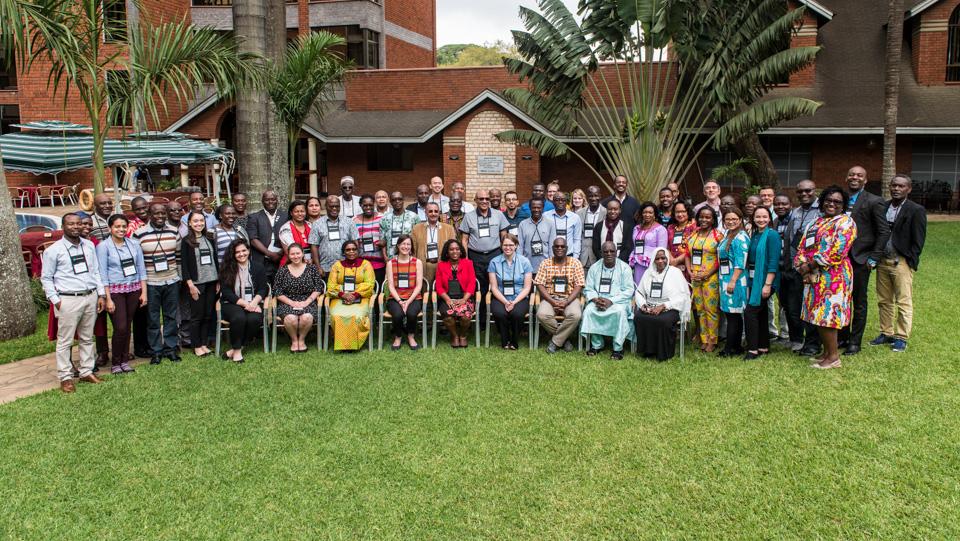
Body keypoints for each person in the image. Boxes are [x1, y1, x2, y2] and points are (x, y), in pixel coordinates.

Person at [41, 213, 106, 393]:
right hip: (68, 299)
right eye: (71, 224)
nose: (76, 227)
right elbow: (46, 278)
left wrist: (101, 294)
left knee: (87, 337)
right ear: (63, 227)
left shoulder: (89, 245)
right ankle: (65, 377)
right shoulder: (54, 250)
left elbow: (96, 272)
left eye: (78, 223)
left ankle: (86, 371)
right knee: (65, 340)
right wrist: (56, 300)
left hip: (90, 296)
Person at [794, 185, 858, 370]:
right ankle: (826, 353)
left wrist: (810, 265)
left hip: (834, 277)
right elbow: (803, 246)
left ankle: (834, 357)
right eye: (828, 200)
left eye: (837, 201)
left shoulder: (846, 222)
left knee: (828, 315)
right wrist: (801, 265)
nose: (832, 204)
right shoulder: (816, 222)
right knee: (817, 315)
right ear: (822, 202)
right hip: (813, 276)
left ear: (843, 205)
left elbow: (837, 251)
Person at [871, 174, 927, 353]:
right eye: (894, 185)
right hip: (882, 261)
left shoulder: (916, 210)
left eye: (901, 186)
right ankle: (886, 332)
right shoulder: (884, 206)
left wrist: (911, 260)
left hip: (901, 261)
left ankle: (901, 337)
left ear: (908, 189)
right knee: (884, 300)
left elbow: (919, 239)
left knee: (903, 301)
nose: (896, 189)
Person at [839, 165, 890, 355]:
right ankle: (842, 336)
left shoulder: (874, 201)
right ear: (846, 178)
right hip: (839, 260)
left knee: (859, 301)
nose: (855, 177)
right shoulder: (839, 199)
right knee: (841, 299)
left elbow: (883, 231)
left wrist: (874, 257)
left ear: (865, 180)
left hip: (861, 259)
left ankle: (855, 341)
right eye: (851, 174)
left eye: (859, 175)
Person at [96, 214, 147, 374]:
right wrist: (107, 298)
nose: (121, 229)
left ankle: (125, 361)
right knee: (120, 327)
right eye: (117, 226)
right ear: (110, 228)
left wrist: (144, 292)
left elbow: (141, 269)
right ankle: (116, 362)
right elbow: (102, 273)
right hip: (115, 292)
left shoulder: (134, 244)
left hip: (133, 289)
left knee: (128, 325)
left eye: (124, 226)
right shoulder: (103, 246)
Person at [133, 203, 182, 364]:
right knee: (153, 319)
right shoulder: (139, 234)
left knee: (171, 317)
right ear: (150, 214)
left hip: (172, 280)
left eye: (162, 213)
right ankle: (156, 351)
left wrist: (180, 278)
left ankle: (170, 348)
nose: (160, 216)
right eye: (156, 213)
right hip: (151, 283)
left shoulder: (174, 231)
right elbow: (136, 261)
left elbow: (179, 257)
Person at [780, 180, 821, 356]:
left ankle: (813, 344)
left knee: (811, 306)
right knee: (793, 306)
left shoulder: (822, 211)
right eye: (800, 192)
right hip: (794, 268)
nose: (804, 194)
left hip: (813, 268)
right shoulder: (796, 212)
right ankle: (797, 340)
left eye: (808, 191)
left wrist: (810, 265)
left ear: (814, 190)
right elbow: (789, 239)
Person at [460, 189, 508, 325]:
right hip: (476, 256)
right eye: (481, 199)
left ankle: (499, 319)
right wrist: (466, 260)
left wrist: (504, 255)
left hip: (495, 255)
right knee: (478, 288)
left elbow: (504, 236)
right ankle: (481, 321)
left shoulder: (499, 215)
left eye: (487, 198)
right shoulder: (468, 217)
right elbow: (464, 240)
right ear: (475, 200)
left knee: (497, 286)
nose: (485, 201)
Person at [634, 247, 691, 361]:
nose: (660, 261)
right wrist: (643, 305)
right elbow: (639, 292)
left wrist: (664, 306)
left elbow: (682, 296)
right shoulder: (648, 272)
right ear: (653, 260)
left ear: (667, 259)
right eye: (657, 258)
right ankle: (648, 351)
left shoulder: (675, 272)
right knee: (639, 317)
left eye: (663, 258)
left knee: (663, 320)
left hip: (670, 307)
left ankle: (663, 353)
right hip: (650, 306)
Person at [581, 241, 635, 359]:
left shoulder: (624, 268)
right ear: (601, 253)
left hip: (619, 302)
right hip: (599, 301)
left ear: (616, 252)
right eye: (605, 252)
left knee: (619, 312)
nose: (609, 254)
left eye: (612, 251)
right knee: (589, 311)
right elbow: (588, 288)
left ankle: (618, 348)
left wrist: (611, 301)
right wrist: (596, 300)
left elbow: (629, 290)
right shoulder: (594, 267)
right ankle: (597, 344)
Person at [218, 239, 267, 363]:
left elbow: (263, 288)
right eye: (237, 252)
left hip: (254, 302)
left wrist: (254, 303)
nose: (241, 254)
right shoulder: (227, 268)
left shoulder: (258, 267)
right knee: (239, 317)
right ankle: (237, 352)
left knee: (254, 319)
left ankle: (236, 348)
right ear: (233, 254)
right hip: (232, 303)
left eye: (244, 250)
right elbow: (226, 292)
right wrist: (246, 304)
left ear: (249, 251)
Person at [534, 237, 585, 354]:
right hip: (550, 298)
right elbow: (539, 284)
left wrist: (567, 301)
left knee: (576, 315)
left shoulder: (575, 263)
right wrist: (552, 301)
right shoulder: (545, 263)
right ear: (552, 248)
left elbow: (579, 285)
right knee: (542, 314)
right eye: (557, 246)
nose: (559, 248)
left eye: (562, 246)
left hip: (570, 298)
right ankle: (564, 339)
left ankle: (555, 341)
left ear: (567, 248)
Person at [743, 207, 781, 359]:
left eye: (764, 217)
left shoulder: (772, 235)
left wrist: (767, 284)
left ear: (769, 218)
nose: (761, 220)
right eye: (758, 217)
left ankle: (752, 349)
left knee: (750, 312)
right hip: (754, 279)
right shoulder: (754, 234)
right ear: (753, 218)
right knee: (762, 312)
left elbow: (773, 261)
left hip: (766, 280)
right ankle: (763, 346)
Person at [180, 211, 219, 358]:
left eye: (201, 220)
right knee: (197, 316)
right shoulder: (186, 241)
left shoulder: (209, 238)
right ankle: (196, 345)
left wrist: (218, 280)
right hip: (197, 283)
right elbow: (184, 265)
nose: (199, 223)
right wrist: (190, 285)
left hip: (211, 281)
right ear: (189, 223)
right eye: (195, 221)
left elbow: (215, 259)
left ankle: (203, 344)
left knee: (207, 315)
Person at [326, 240, 377, 351]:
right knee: (336, 316)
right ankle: (342, 344)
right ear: (343, 252)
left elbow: (369, 284)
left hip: (361, 297)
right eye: (348, 250)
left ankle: (354, 343)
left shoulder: (366, 265)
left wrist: (355, 294)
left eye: (354, 249)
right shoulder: (337, 266)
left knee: (357, 316)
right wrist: (342, 294)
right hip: (339, 298)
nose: (351, 252)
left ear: (358, 251)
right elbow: (331, 286)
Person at [274, 243, 324, 353]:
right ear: (288, 255)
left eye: (298, 253)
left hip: (308, 301)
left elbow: (318, 287)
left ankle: (301, 340)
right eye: (292, 254)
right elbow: (277, 291)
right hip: (287, 302)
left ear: (302, 254)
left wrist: (307, 301)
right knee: (290, 318)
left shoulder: (312, 268)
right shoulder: (282, 270)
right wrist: (291, 302)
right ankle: (294, 340)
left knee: (306, 317)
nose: (295, 256)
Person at [685, 206, 722, 353]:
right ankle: (704, 338)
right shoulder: (693, 234)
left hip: (710, 278)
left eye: (708, 217)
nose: (704, 219)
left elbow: (721, 258)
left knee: (711, 310)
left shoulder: (718, 236)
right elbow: (687, 254)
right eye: (701, 217)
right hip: (695, 277)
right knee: (700, 309)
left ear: (713, 219)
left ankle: (712, 340)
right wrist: (689, 271)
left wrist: (708, 273)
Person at [487, 234, 534, 349]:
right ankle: (505, 339)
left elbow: (527, 287)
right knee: (500, 313)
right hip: (500, 296)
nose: (508, 248)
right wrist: (505, 302)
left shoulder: (525, 262)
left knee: (517, 314)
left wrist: (514, 302)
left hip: (519, 297)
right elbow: (494, 287)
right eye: (505, 245)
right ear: (501, 246)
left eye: (511, 245)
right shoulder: (494, 262)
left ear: (516, 245)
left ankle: (514, 340)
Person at [716, 208, 749, 357]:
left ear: (740, 220)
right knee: (732, 315)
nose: (731, 222)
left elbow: (740, 263)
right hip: (725, 279)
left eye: (734, 219)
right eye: (728, 219)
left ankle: (729, 349)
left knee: (733, 315)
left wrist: (733, 281)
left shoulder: (740, 238)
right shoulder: (728, 234)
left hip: (735, 280)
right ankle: (736, 346)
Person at [435, 239, 477, 348]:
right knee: (448, 317)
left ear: (461, 251)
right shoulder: (441, 265)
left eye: (457, 249)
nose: (455, 251)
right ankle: (454, 336)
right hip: (447, 298)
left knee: (466, 317)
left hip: (464, 297)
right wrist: (447, 299)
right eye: (451, 249)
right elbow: (439, 286)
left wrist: (464, 299)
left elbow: (472, 283)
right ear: (447, 252)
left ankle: (462, 335)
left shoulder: (468, 263)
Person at [385, 235, 424, 350]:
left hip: (414, 298)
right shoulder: (390, 263)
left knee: (411, 314)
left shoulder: (417, 262)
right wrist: (400, 301)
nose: (405, 247)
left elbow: (419, 285)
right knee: (398, 314)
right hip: (395, 298)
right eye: (403, 244)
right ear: (398, 245)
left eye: (408, 244)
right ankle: (398, 336)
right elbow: (391, 286)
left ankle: (411, 336)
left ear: (411, 247)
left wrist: (408, 301)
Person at [246, 190, 289, 285]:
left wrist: (282, 252)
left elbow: (290, 236)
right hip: (262, 260)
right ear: (262, 201)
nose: (270, 202)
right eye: (267, 200)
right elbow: (253, 239)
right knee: (263, 287)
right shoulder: (254, 217)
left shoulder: (286, 216)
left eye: (273, 199)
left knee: (281, 286)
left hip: (282, 259)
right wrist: (270, 254)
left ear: (277, 200)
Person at [309, 195, 357, 278]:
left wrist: (355, 264)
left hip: (347, 267)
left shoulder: (349, 222)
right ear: (326, 206)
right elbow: (314, 246)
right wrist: (318, 267)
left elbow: (355, 243)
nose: (334, 209)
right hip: (325, 268)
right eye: (331, 206)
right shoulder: (317, 224)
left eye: (337, 206)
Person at [410, 202, 457, 283]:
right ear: (425, 212)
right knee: (425, 289)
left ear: (439, 213)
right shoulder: (416, 229)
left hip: (442, 265)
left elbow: (453, 250)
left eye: (436, 211)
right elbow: (413, 251)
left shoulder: (449, 229)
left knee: (440, 289)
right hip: (423, 266)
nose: (433, 214)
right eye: (430, 211)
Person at [629, 201, 668, 284]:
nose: (647, 215)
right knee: (638, 285)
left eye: (650, 212)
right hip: (637, 264)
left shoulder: (660, 229)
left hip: (652, 264)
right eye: (645, 212)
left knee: (649, 286)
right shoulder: (636, 228)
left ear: (654, 215)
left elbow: (662, 250)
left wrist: (658, 265)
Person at [354, 193, 386, 284]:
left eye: (370, 205)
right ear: (360, 205)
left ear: (374, 204)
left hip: (379, 263)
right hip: (361, 263)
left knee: (378, 288)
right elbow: (353, 239)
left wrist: (383, 242)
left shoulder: (382, 218)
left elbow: (386, 237)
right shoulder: (354, 220)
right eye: (365, 205)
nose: (368, 207)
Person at [518, 198, 556, 273]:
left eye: (539, 207)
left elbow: (552, 247)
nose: (536, 210)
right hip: (527, 267)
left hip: (545, 267)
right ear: (530, 208)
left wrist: (551, 266)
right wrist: (520, 265)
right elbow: (520, 247)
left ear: (543, 208)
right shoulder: (522, 224)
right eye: (534, 207)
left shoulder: (550, 224)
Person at [380, 191, 420, 259]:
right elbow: (383, 241)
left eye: (399, 199)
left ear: (403, 200)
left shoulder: (414, 217)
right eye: (394, 200)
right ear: (390, 202)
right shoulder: (384, 218)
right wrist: (385, 257)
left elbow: (418, 240)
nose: (397, 201)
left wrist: (415, 257)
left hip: (409, 258)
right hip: (391, 258)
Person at [545, 190, 582, 259]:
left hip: (569, 256)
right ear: (553, 202)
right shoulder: (545, 216)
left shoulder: (575, 218)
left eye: (563, 200)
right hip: (551, 257)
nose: (560, 202)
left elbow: (577, 239)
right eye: (557, 200)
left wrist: (575, 257)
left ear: (566, 202)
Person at [577, 185, 606, 270]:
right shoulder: (579, 213)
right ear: (587, 197)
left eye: (596, 195)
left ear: (600, 196)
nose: (593, 198)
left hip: (599, 257)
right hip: (583, 256)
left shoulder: (606, 213)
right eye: (591, 196)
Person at [667, 201, 695, 279]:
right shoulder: (670, 228)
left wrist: (677, 260)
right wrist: (672, 261)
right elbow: (667, 246)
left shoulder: (695, 226)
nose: (680, 214)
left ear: (688, 212)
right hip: (672, 266)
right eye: (677, 212)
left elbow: (693, 248)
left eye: (683, 211)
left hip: (688, 266)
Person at [278, 200, 312, 265]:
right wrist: (304, 260)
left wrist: (312, 259)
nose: (300, 214)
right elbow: (291, 250)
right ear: (291, 213)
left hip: (309, 263)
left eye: (302, 211)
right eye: (296, 211)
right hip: (291, 265)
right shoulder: (285, 228)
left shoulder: (310, 225)